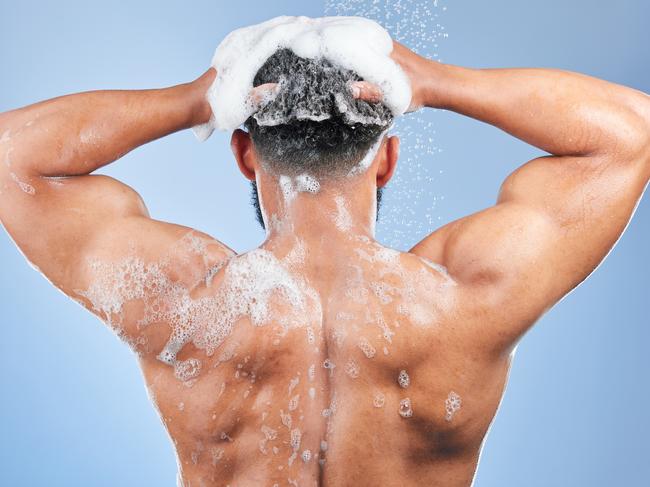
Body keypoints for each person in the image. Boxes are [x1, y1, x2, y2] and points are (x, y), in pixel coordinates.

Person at [0, 36, 648, 487]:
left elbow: (11, 157)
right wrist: (434, 83)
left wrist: (200, 97)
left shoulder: (185, 299)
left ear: (244, 155)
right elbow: (629, 135)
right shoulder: (468, 293)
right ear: (388, 159)